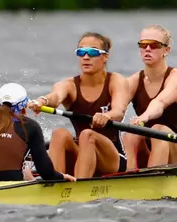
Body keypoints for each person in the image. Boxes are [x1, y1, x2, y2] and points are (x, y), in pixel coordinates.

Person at [27, 32, 130, 178]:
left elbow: (119, 111)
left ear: (105, 56)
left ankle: (79, 186)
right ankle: (55, 183)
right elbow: (55, 98)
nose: (86, 57)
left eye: (92, 52)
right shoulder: (68, 85)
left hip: (112, 158)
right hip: (82, 152)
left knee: (87, 135)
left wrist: (106, 116)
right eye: (81, 52)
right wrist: (42, 101)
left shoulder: (116, 81)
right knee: (59, 134)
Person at [0, 83, 75, 183]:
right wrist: (62, 177)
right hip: (14, 188)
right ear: (24, 108)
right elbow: (47, 174)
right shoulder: (30, 126)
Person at [124, 25, 177, 168]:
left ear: (166, 50)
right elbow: (116, 109)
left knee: (158, 129)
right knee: (131, 134)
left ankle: (151, 179)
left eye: (154, 45)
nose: (147, 49)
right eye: (143, 45)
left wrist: (144, 116)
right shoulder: (133, 81)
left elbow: (159, 103)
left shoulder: (176, 78)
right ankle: (129, 177)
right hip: (148, 148)